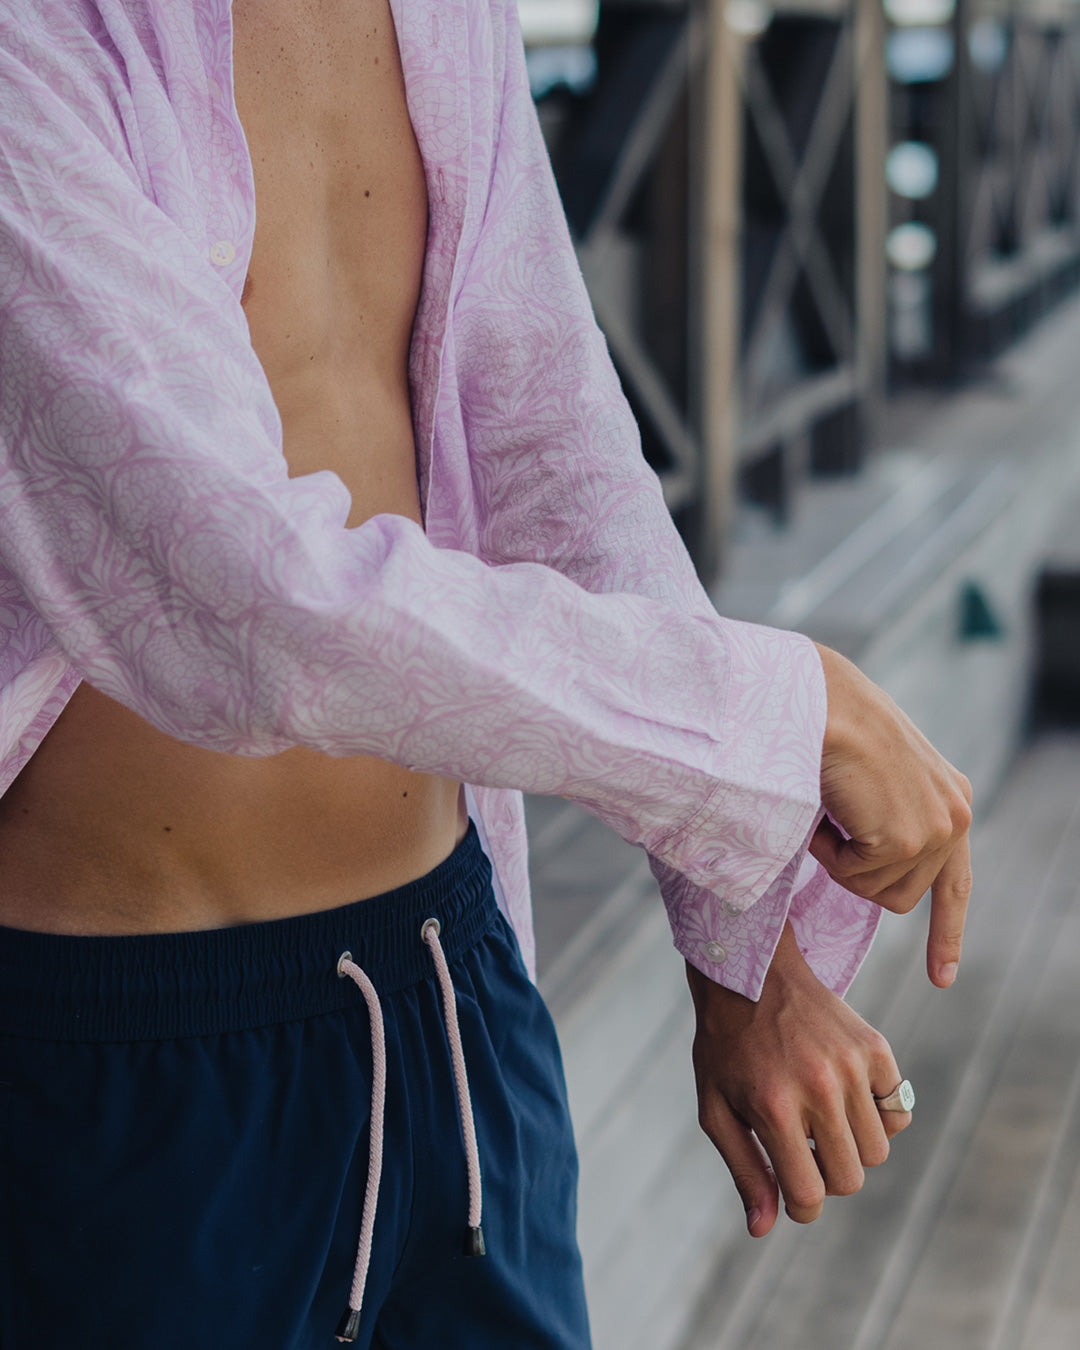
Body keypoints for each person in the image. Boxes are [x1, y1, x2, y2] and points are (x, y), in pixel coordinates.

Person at [0, 1, 971, 1346]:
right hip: (123, 1063)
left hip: (453, 994)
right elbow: (242, 592)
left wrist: (739, 932)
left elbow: (552, 445)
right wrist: (770, 713)